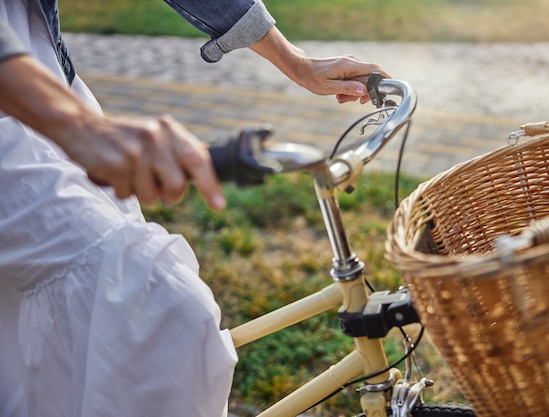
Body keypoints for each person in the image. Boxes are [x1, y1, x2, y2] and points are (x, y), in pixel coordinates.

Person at [0, 1, 388, 417]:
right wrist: (79, 127)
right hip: (25, 130)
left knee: (77, 332)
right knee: (162, 308)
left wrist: (297, 63)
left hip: (47, 84)